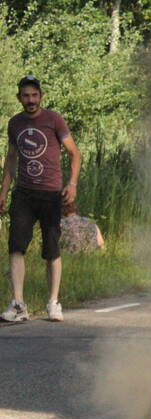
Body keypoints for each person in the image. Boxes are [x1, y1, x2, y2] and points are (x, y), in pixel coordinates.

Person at [0, 75, 81, 322]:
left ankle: (53, 303)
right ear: (19, 98)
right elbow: (11, 160)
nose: (30, 100)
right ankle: (18, 305)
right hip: (24, 193)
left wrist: (72, 184)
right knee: (16, 246)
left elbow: (74, 153)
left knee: (52, 248)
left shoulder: (54, 119)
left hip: (50, 193)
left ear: (41, 96)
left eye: (34, 95)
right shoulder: (15, 123)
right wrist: (3, 192)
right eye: (26, 96)